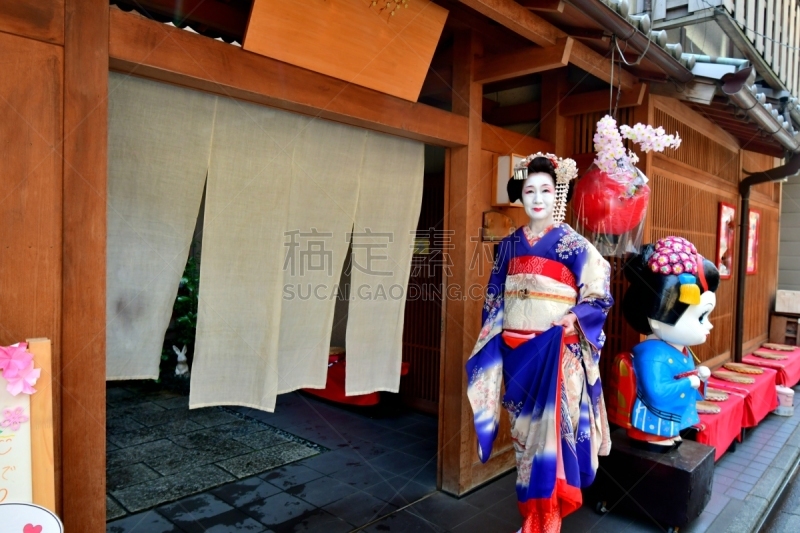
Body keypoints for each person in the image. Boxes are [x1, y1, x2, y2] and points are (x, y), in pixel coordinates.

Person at [466, 154, 613, 533]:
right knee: (523, 442)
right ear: (521, 197)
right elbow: (495, 299)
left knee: (549, 442)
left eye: (545, 190)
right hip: (517, 357)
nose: (537, 198)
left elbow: (598, 294)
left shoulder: (575, 246)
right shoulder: (509, 246)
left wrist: (574, 318)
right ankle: (532, 515)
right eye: (529, 190)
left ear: (557, 194)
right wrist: (492, 340)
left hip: (555, 356)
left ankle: (545, 521)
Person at [617, 237, 719, 447]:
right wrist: (689, 382)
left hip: (670, 419)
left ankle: (670, 433)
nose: (709, 325)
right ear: (659, 315)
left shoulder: (680, 348)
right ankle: (654, 436)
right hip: (652, 421)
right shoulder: (653, 355)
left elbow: (684, 375)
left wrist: (698, 376)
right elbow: (657, 392)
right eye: (701, 317)